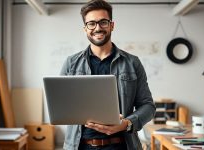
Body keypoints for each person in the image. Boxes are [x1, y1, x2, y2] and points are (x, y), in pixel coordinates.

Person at [60, 0, 155, 149]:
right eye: (91, 23)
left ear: (112, 25)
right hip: (80, 146)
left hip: (122, 146)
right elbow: (61, 106)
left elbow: (148, 107)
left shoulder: (132, 62)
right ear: (85, 28)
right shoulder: (71, 63)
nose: (97, 28)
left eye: (103, 22)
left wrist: (126, 124)